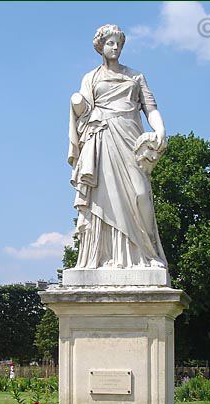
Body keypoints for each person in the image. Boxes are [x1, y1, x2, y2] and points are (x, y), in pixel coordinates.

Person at [68, 24, 168, 269]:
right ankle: (103, 256)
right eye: (111, 43)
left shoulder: (135, 76)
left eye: (119, 44)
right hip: (102, 138)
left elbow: (150, 108)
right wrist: (77, 103)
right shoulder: (90, 78)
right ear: (100, 45)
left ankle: (148, 254)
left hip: (131, 138)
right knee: (103, 199)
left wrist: (160, 130)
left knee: (140, 194)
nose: (115, 48)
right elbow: (84, 110)